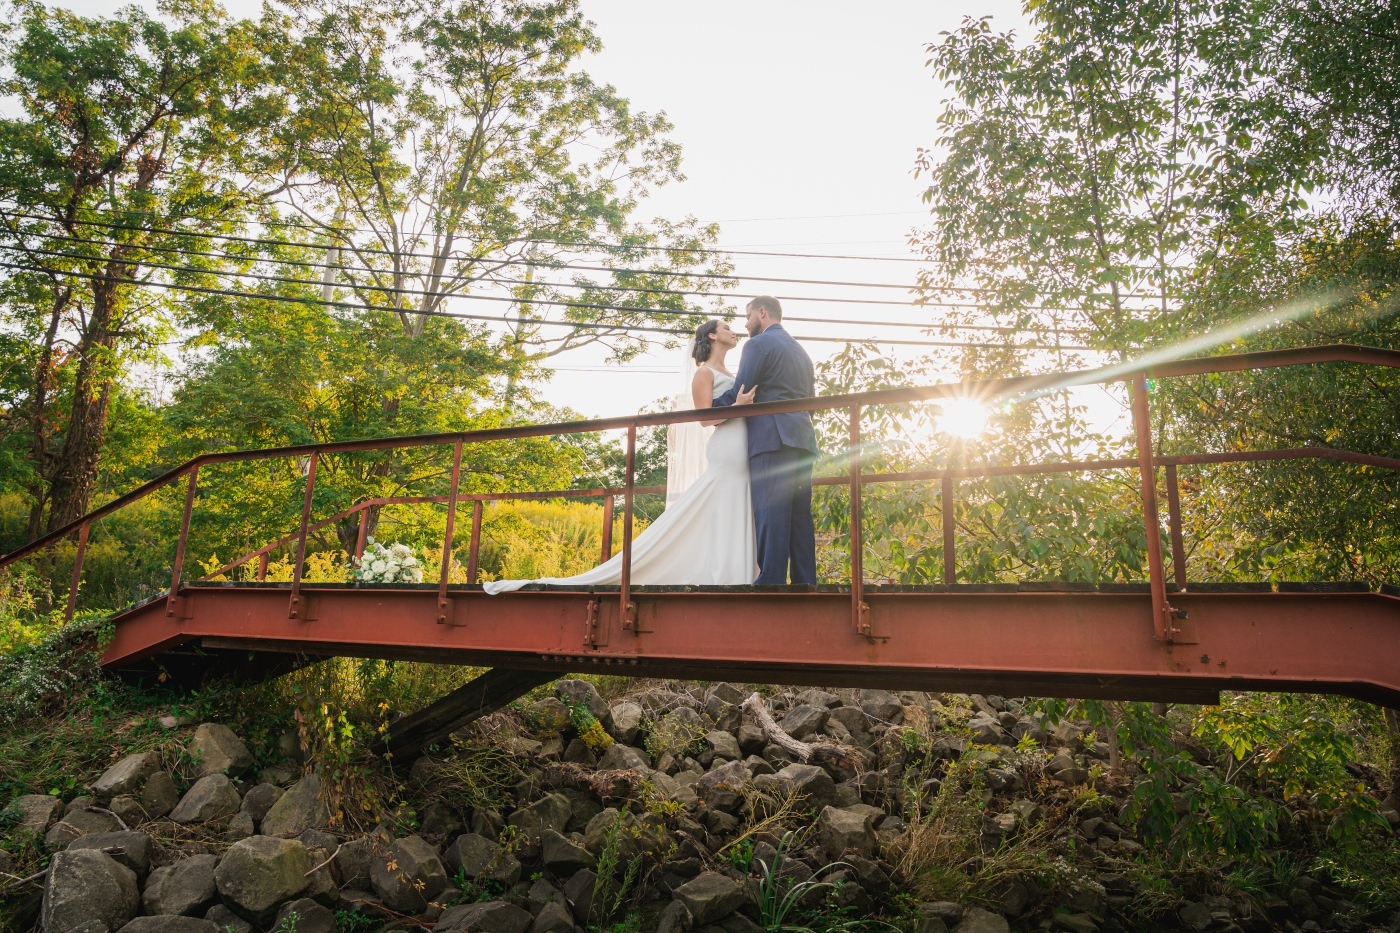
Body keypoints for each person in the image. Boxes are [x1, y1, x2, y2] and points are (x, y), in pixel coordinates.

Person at [483, 319, 758, 593]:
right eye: (726, 328)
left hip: (743, 448)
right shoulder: (704, 373)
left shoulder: (734, 375)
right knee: (722, 505)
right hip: (725, 450)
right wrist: (738, 406)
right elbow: (704, 419)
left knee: (732, 506)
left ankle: (735, 572)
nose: (734, 332)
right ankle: (723, 575)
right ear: (712, 335)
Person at [711, 295, 818, 585]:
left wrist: (708, 408)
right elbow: (812, 401)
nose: (745, 324)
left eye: (747, 317)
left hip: (771, 437)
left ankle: (770, 577)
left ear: (762, 312)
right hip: (803, 438)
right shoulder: (802, 353)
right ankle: (805, 580)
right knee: (799, 513)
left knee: (770, 507)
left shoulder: (757, 344)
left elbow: (740, 391)